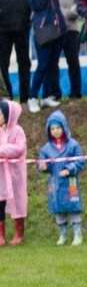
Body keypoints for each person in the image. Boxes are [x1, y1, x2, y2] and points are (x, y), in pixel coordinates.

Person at [36, 110, 86, 246]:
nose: (56, 131)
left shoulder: (73, 145)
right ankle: (63, 235)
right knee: (59, 210)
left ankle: (77, 235)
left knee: (74, 208)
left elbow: (81, 162)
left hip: (71, 183)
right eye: (52, 128)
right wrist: (43, 166)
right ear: (48, 130)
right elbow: (40, 163)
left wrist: (69, 169)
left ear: (64, 127)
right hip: (55, 184)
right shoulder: (46, 149)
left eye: (58, 127)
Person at [26, 0, 66, 113]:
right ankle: (32, 97)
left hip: (58, 28)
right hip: (43, 31)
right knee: (42, 65)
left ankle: (47, 95)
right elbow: (36, 5)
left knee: (53, 64)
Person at [0, 0, 32, 104]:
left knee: (24, 62)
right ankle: (8, 98)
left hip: (22, 24)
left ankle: (25, 98)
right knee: (3, 63)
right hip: (3, 27)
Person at [53, 0, 83, 99]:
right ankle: (55, 93)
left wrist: (69, 13)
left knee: (73, 60)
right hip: (54, 27)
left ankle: (76, 93)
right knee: (53, 62)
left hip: (70, 26)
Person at [0, 100, 27, 246]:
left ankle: (19, 233)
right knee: (0, 203)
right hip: (1, 175)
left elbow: (19, 149)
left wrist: (1, 151)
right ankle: (1, 235)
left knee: (17, 202)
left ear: (7, 115)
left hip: (15, 175)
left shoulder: (18, 131)